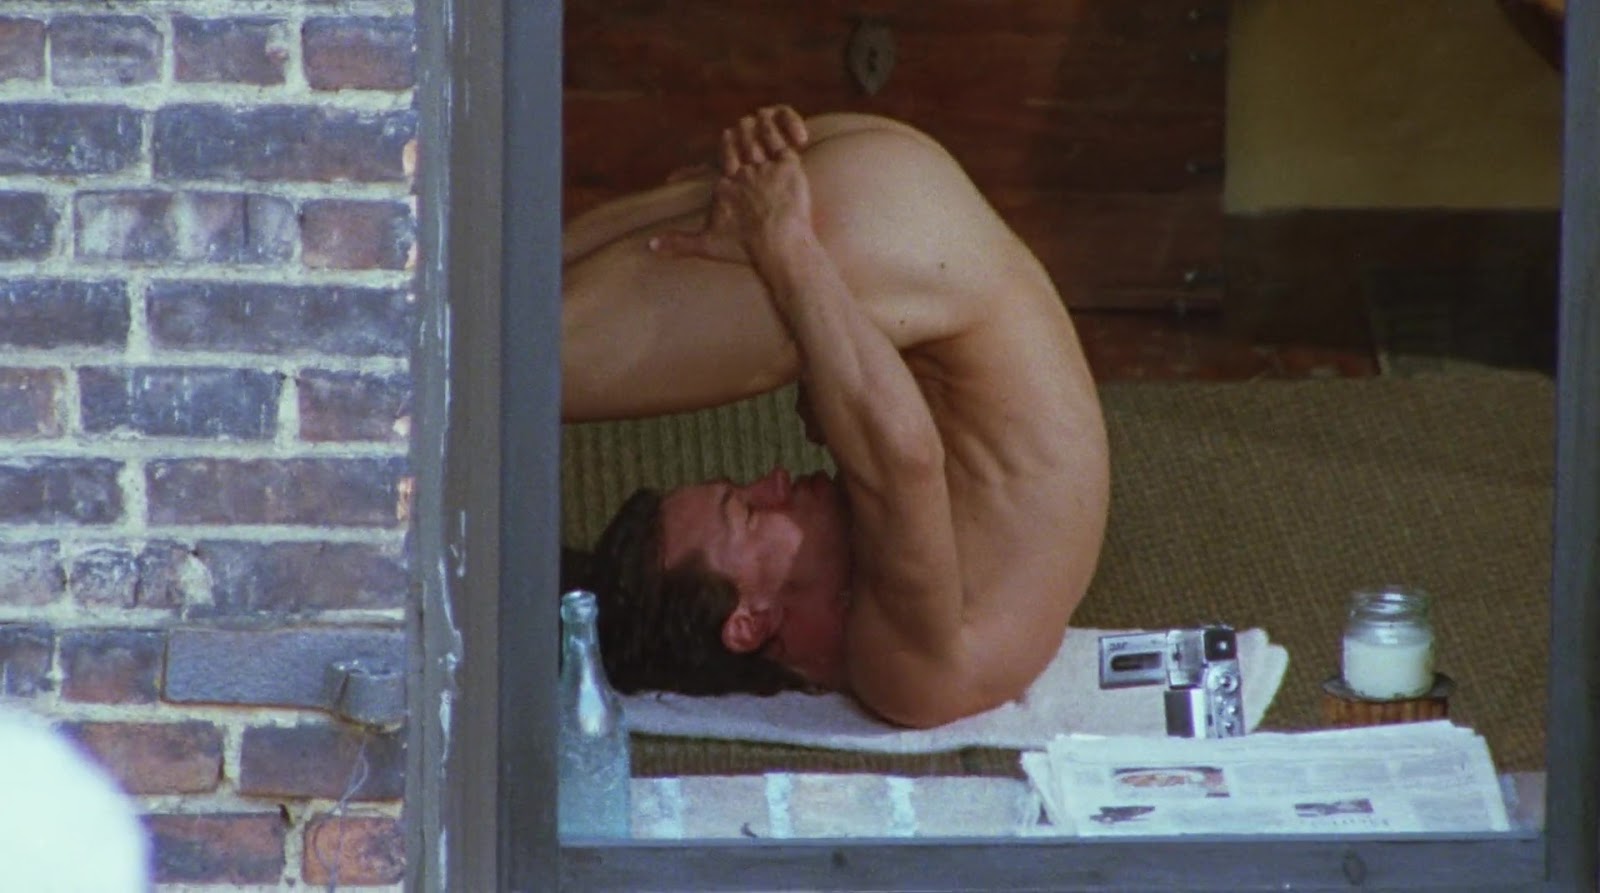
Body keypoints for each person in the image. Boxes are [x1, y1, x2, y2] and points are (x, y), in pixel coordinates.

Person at [562, 106, 1109, 728]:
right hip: (891, 220)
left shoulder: (906, 646)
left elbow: (908, 451)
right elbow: (904, 459)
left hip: (896, 226)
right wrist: (786, 246)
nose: (773, 478)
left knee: (494, 345)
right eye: (748, 510)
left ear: (746, 622)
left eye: (746, 500)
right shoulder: (918, 679)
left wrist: (776, 227)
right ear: (750, 621)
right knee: (498, 347)